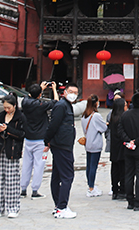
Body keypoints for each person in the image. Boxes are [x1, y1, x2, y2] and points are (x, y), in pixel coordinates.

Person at [44, 82, 79, 218]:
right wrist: (47, 140)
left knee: (57, 175)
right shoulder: (61, 105)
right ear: (64, 92)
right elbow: (53, 124)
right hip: (61, 144)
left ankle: (58, 204)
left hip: (63, 144)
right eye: (71, 92)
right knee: (67, 176)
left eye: (75, 93)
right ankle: (61, 207)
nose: (73, 95)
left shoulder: (67, 105)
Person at [21, 81, 58, 199]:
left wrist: (39, 89)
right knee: (39, 165)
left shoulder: (25, 102)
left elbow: (29, 96)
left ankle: (23, 188)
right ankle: (35, 189)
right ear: (39, 95)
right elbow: (55, 102)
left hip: (28, 138)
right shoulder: (40, 105)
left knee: (27, 164)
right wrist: (54, 89)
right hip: (40, 139)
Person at [0, 94, 26, 218]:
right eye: (5, 107)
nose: (6, 110)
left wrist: (8, 129)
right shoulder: (1, 116)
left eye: (9, 107)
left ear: (14, 105)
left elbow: (22, 134)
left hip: (12, 151)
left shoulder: (20, 117)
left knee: (12, 181)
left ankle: (13, 207)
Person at [80, 94, 107, 197]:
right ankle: (91, 188)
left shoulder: (84, 115)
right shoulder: (96, 116)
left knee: (89, 165)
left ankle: (90, 185)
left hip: (88, 143)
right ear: (96, 103)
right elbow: (103, 128)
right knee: (93, 166)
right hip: (95, 143)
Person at [108, 98, 127, 200]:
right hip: (122, 147)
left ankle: (115, 190)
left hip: (114, 147)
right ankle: (123, 190)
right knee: (123, 169)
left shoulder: (113, 117)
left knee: (115, 169)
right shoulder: (123, 119)